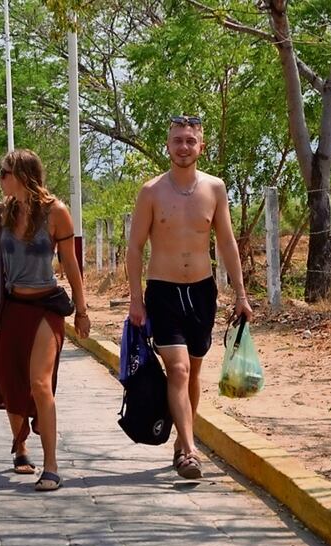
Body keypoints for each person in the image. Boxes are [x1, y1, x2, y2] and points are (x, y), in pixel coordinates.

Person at [127, 114, 253, 480]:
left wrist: (241, 295)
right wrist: (136, 299)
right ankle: (190, 450)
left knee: (193, 370)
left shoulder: (215, 188)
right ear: (167, 145)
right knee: (177, 369)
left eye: (190, 140)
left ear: (201, 146)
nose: (183, 146)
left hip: (201, 291)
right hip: (163, 291)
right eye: (177, 140)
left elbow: (226, 242)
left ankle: (183, 443)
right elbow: (135, 248)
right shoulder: (151, 191)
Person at [0, 149, 90, 492]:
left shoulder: (56, 213)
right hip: (11, 308)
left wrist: (81, 310)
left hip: (45, 309)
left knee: (39, 383)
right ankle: (20, 445)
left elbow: (70, 265)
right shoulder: (2, 212)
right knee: (9, 381)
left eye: (4, 172)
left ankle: (50, 466)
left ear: (21, 175)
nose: (0, 178)